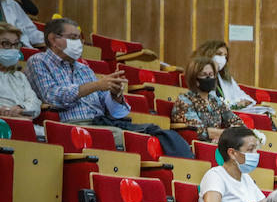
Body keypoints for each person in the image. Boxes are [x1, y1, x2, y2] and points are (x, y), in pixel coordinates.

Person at [25, 18, 193, 157]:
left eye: (79, 38)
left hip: (101, 122)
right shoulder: (39, 62)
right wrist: (97, 85)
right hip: (71, 124)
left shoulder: (83, 68)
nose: (78, 42)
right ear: (53, 39)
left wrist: (115, 95)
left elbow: (112, 110)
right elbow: (52, 96)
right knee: (125, 137)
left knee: (161, 133)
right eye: (72, 37)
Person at [170, 54, 245, 142]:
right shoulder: (185, 100)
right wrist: (227, 135)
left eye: (211, 74)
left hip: (217, 144)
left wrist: (233, 132)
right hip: (196, 147)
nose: (209, 78)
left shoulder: (215, 101)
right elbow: (199, 131)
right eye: (204, 75)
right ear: (195, 79)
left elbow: (237, 122)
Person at [198, 126, 266, 202]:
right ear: (232, 153)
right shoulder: (215, 175)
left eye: (256, 149)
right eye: (250, 149)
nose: (256, 154)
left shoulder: (246, 178)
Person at [193, 40, 269, 113]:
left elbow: (244, 97)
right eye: (219, 54)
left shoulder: (225, 78)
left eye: (225, 56)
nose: (222, 59)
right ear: (208, 55)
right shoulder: (199, 77)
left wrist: (242, 103)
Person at [0, 23, 40, 119]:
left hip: (22, 122)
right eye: (6, 44)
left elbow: (34, 102)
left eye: (16, 44)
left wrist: (21, 108)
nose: (13, 49)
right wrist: (6, 111)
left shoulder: (19, 76)